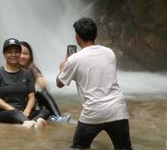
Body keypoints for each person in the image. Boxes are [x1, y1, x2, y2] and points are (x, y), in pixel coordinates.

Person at [55, 18, 132, 149]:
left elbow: (60, 83)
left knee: (79, 147)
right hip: (117, 110)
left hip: (93, 112)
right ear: (96, 35)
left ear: (77, 37)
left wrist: (63, 67)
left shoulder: (74, 59)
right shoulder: (109, 53)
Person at [0, 37, 50, 128]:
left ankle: (29, 123)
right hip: (2, 113)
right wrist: (14, 110)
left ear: (20, 53)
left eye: (16, 51)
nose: (13, 54)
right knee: (13, 113)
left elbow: (31, 96)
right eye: (9, 52)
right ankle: (33, 123)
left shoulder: (26, 74)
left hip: (23, 112)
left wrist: (27, 110)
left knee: (45, 111)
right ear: (4, 54)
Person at [19, 41, 70, 123]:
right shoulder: (10, 70)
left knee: (42, 92)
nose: (22, 56)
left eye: (25, 54)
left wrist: (33, 70)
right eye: (20, 53)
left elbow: (43, 85)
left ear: (30, 56)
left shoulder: (32, 69)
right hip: (17, 104)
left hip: (29, 103)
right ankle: (51, 117)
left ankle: (57, 117)